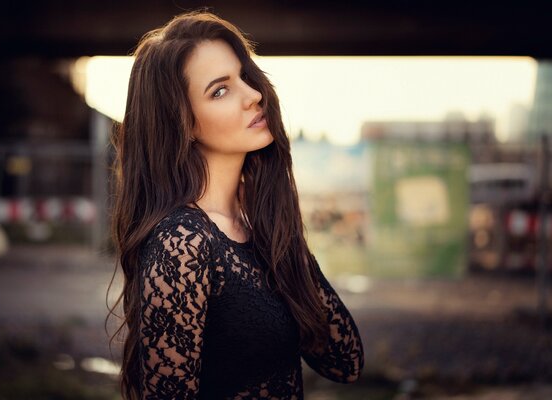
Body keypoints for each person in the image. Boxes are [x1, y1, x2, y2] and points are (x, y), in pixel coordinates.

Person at [108, 10, 364, 400]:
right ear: (183, 124)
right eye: (220, 90)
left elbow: (345, 361)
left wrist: (280, 231)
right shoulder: (182, 243)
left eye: (245, 77)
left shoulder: (255, 228)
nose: (254, 95)